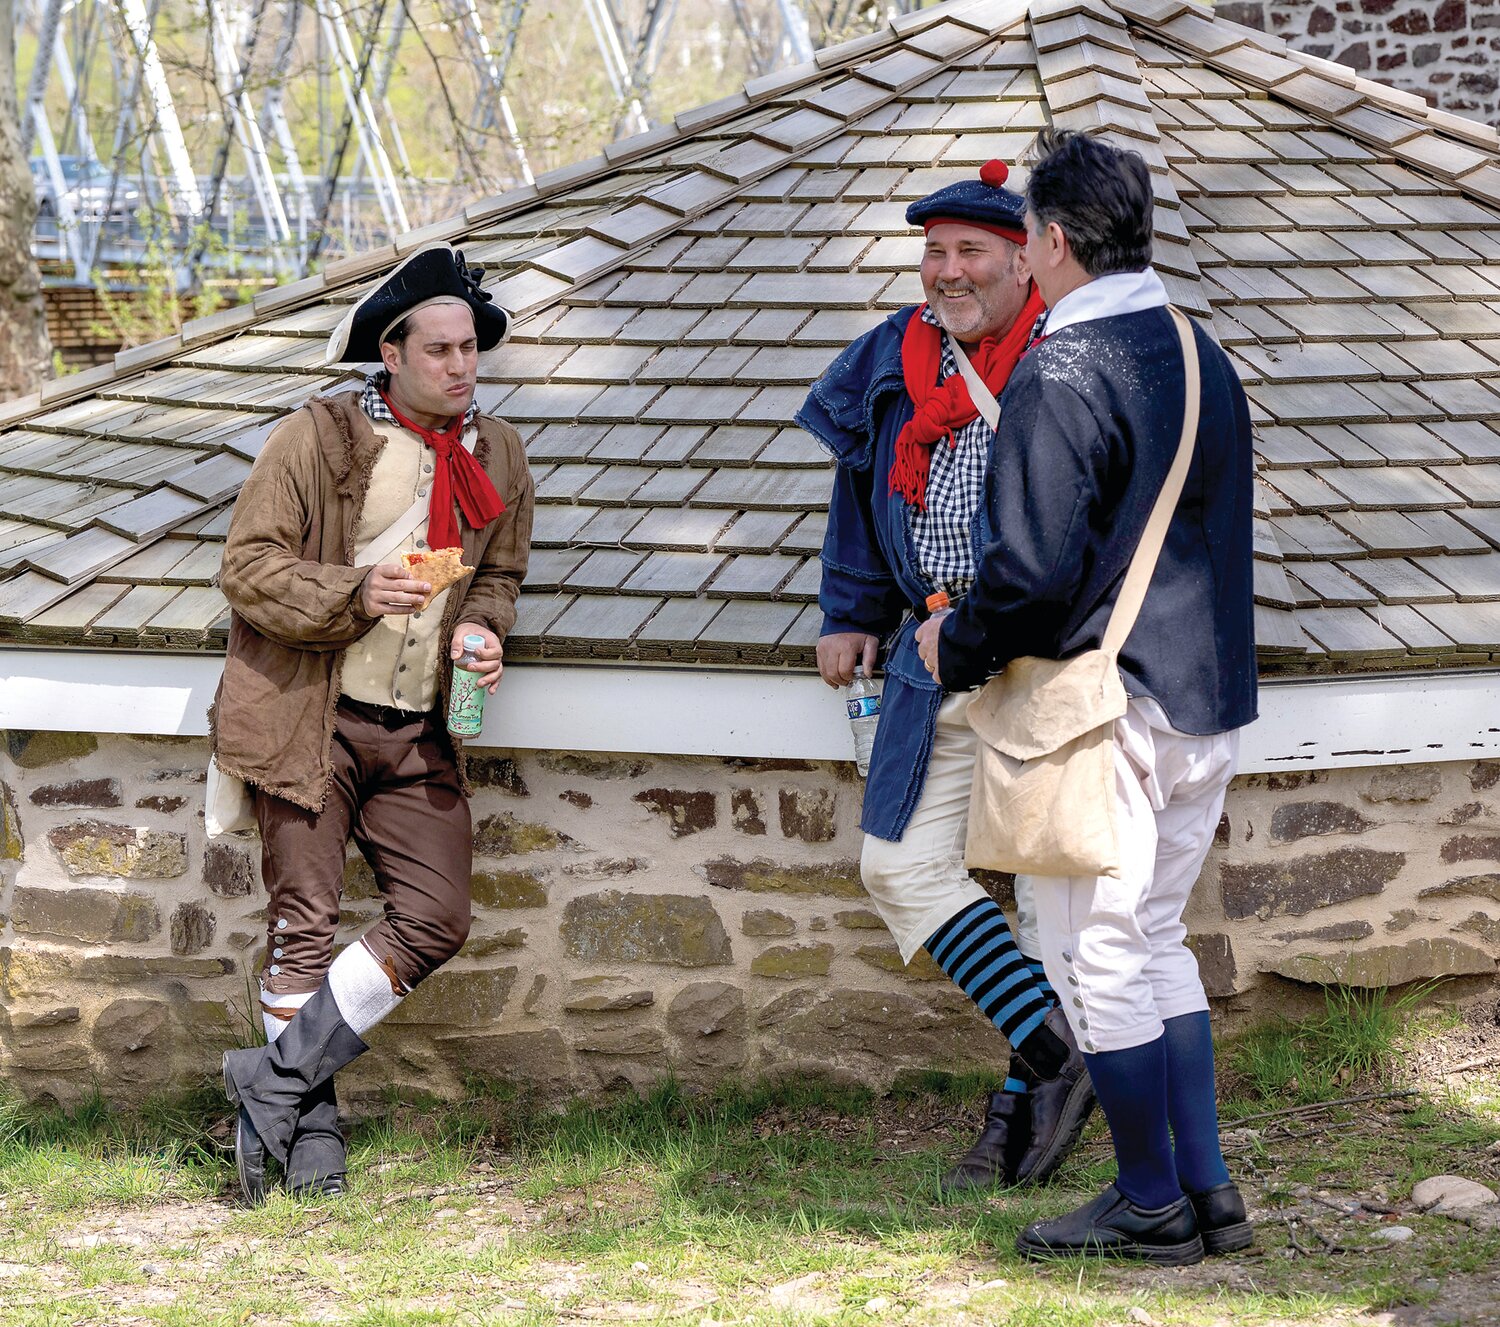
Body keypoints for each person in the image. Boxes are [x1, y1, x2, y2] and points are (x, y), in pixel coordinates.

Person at [916, 129, 1257, 1265]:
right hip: (1203, 696)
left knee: (1091, 953)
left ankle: (1150, 1201)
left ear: (1054, 241)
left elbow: (1026, 574)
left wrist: (946, 645)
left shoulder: (1064, 366)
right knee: (1153, 940)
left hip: (1101, 707)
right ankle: (1208, 1194)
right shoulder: (1201, 351)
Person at [796, 160, 1096, 1196]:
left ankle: (1022, 1099)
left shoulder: (1063, 355)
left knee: (1048, 898)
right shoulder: (896, 351)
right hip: (930, 658)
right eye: (935, 252)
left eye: (971, 251)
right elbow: (854, 485)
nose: (948, 269)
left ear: (1025, 259)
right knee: (901, 866)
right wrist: (847, 610)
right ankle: (1061, 1053)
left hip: (1044, 663)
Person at [212, 243, 535, 1202]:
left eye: (469, 347)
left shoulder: (499, 453)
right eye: (438, 350)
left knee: (437, 917)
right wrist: (360, 589)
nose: (461, 365)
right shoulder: (316, 439)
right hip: (308, 715)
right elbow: (249, 568)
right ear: (389, 353)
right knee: (302, 924)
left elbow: (502, 575)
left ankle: (267, 1078)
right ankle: (308, 1137)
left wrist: (481, 627)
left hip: (420, 727)